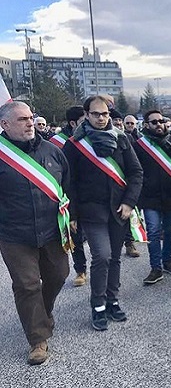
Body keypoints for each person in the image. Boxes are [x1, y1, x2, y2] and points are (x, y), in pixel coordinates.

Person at [63, 95, 143, 331]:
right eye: (96, 114)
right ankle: (97, 305)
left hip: (119, 210)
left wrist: (130, 202)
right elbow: (70, 183)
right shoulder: (75, 145)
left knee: (115, 258)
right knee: (102, 255)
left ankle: (112, 300)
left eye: (105, 113)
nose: (101, 118)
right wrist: (73, 214)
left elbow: (136, 173)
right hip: (91, 211)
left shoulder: (122, 140)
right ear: (86, 115)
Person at [0, 101, 70, 365]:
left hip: (53, 230)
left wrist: (71, 220)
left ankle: (41, 312)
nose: (30, 123)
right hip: (14, 235)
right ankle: (37, 338)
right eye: (22, 119)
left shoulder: (53, 151)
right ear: (4, 124)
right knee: (27, 284)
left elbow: (67, 185)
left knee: (59, 275)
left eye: (30, 117)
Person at [134, 110, 171, 285]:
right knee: (153, 232)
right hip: (150, 197)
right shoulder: (139, 146)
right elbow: (134, 169)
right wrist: (144, 183)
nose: (159, 124)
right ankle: (155, 268)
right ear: (146, 125)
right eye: (154, 122)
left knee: (169, 232)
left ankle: (167, 261)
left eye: (161, 121)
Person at [51, 106, 90, 285]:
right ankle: (80, 270)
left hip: (91, 194)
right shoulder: (56, 142)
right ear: (73, 123)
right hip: (69, 194)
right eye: (84, 120)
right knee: (75, 233)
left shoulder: (92, 137)